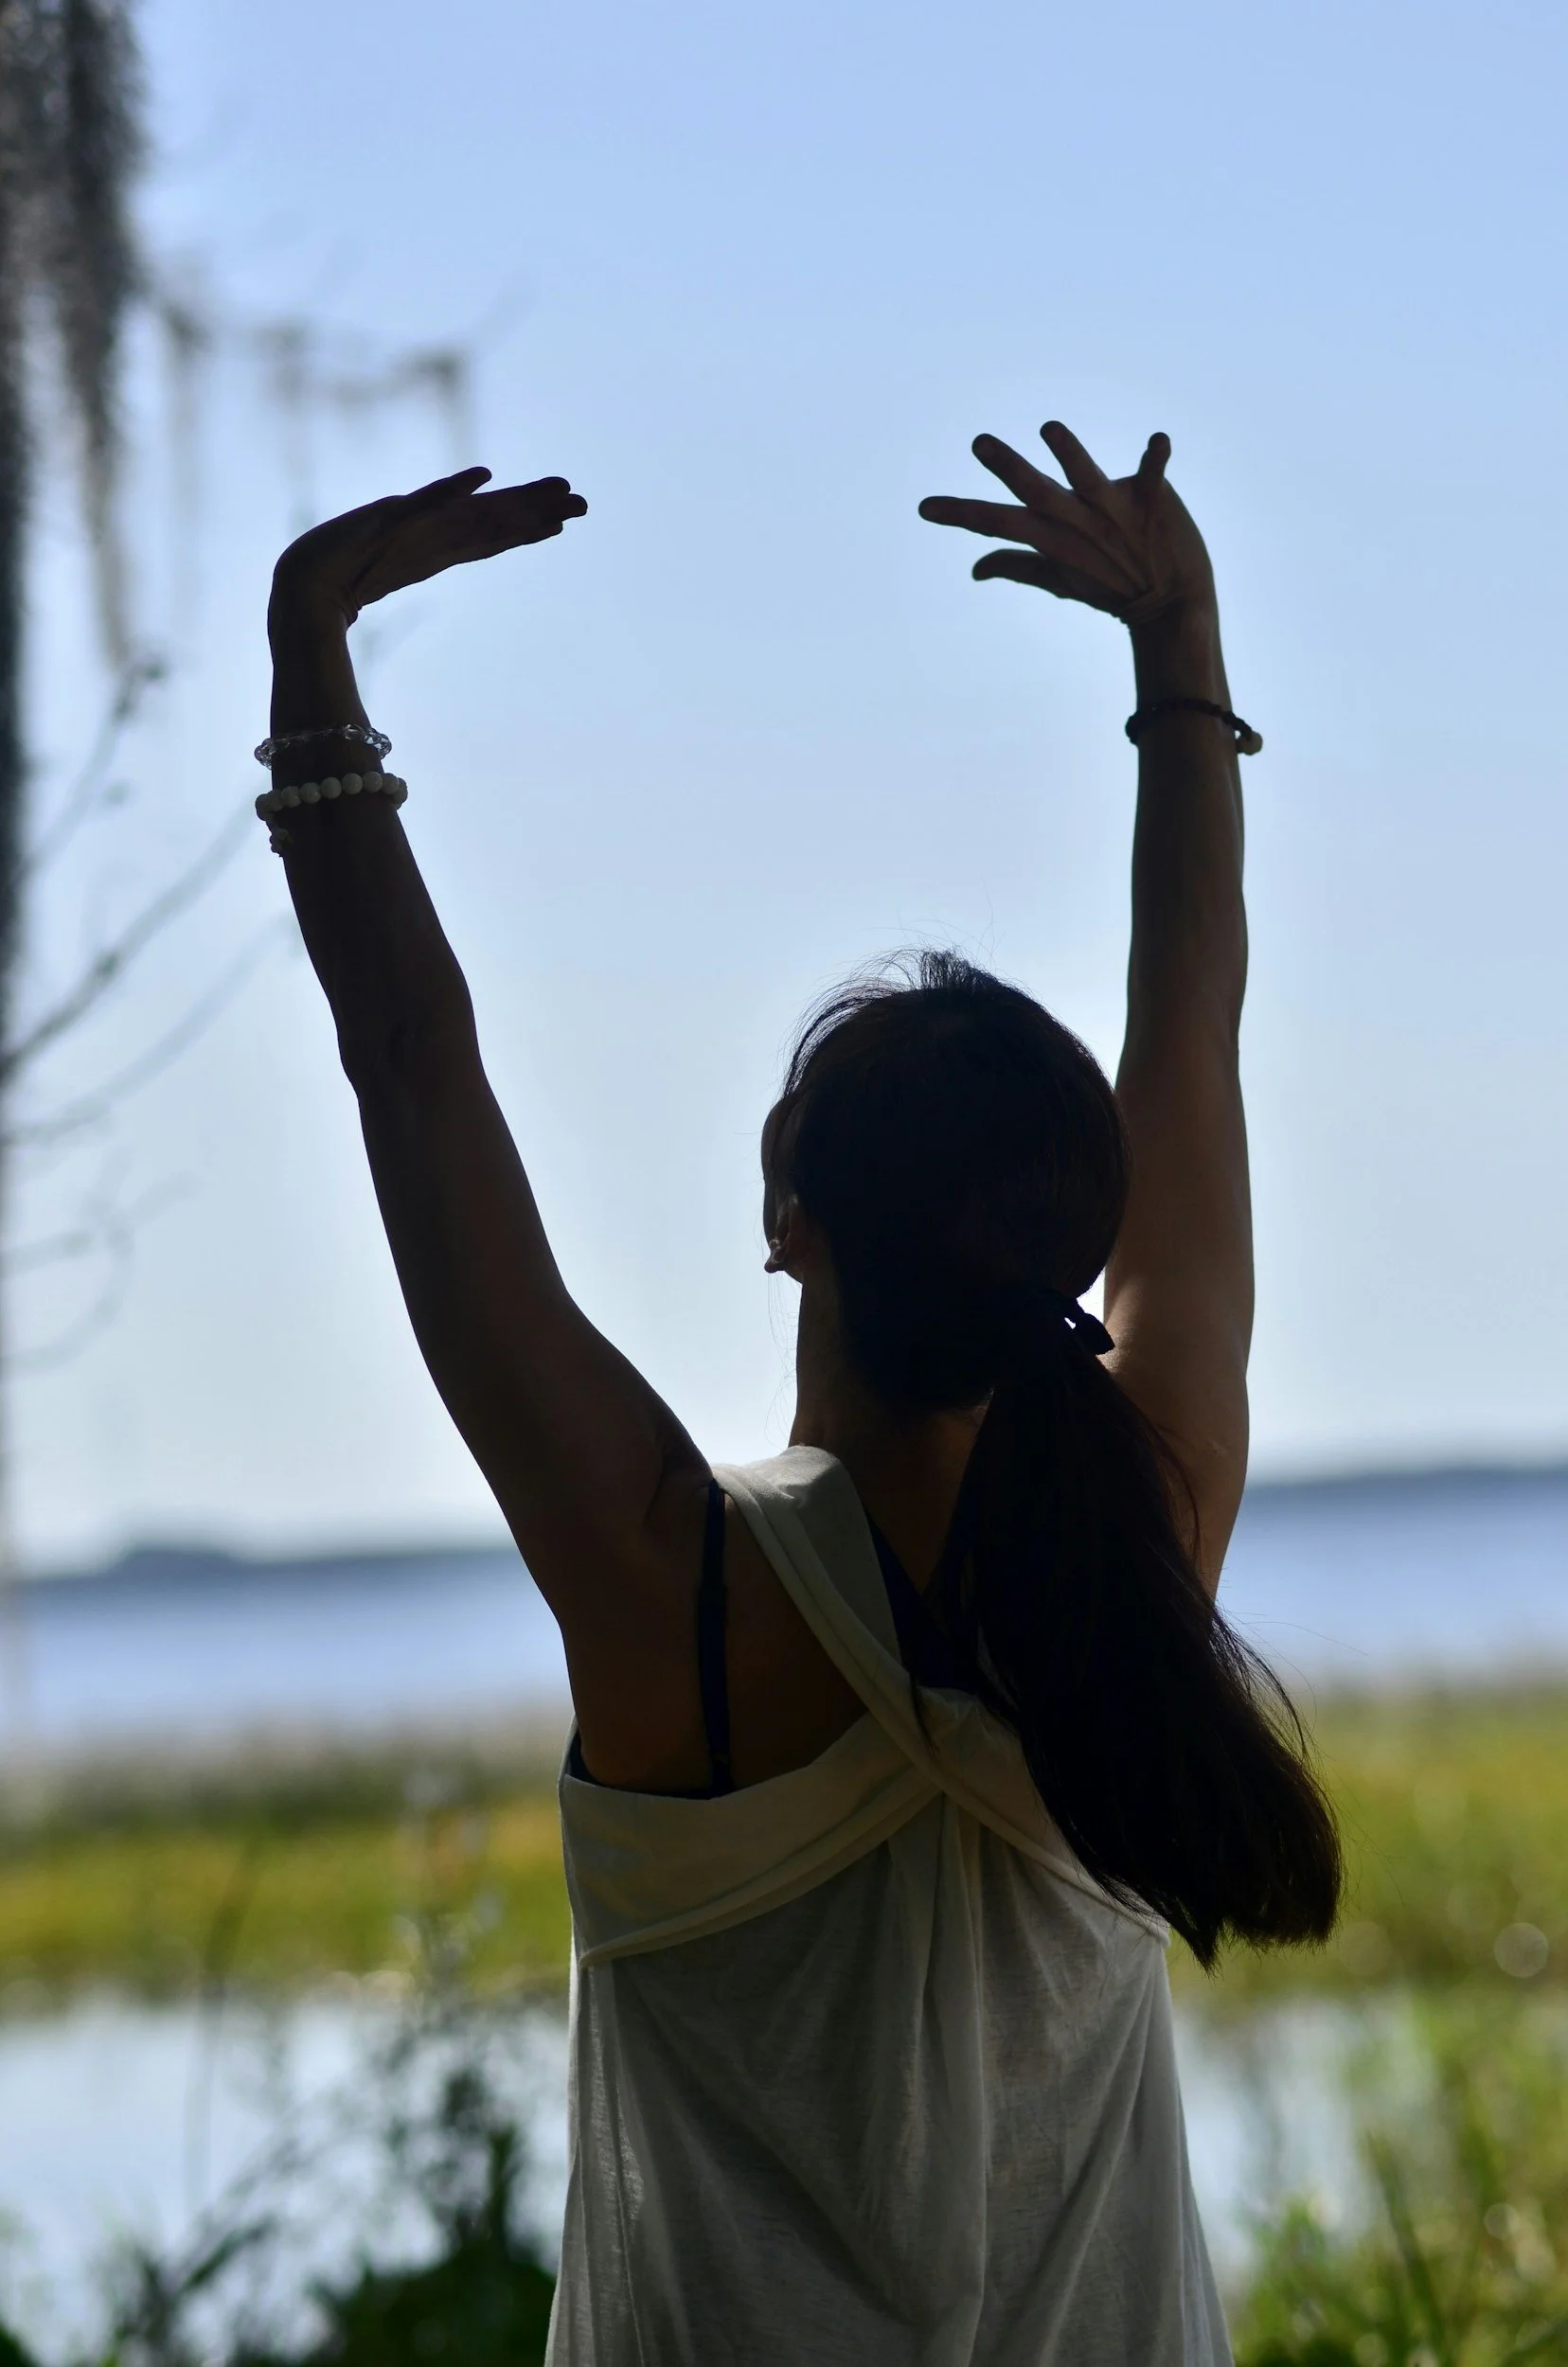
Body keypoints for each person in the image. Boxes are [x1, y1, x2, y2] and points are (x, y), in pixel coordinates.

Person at [259, 417, 1341, 2365]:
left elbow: (410, 1061)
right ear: (1071, 1240)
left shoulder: (673, 1587)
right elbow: (1196, 1021)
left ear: (786, 1217)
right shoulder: (1144, 1538)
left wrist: (313, 651)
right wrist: (1181, 651)